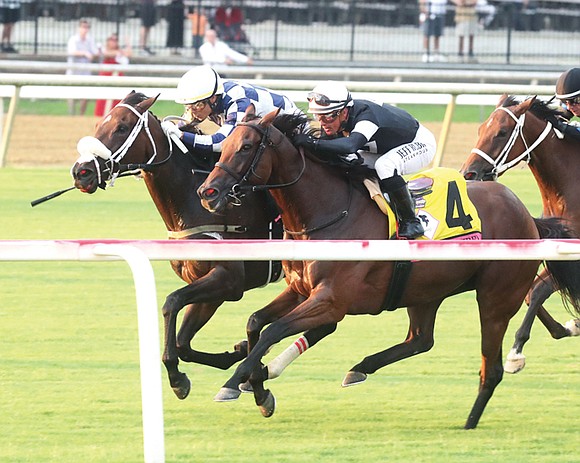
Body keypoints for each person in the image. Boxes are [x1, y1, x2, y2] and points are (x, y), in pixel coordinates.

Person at [293, 81, 437, 240]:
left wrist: (310, 142)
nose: (322, 122)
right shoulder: (333, 119)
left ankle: (411, 222)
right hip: (385, 147)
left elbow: (351, 145)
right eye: (317, 116)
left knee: (385, 166)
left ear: (344, 112)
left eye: (327, 116)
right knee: (348, 162)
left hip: (418, 143)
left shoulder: (366, 116)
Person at [160, 65, 301, 156]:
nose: (193, 111)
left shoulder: (238, 101)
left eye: (197, 106)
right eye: (188, 106)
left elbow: (222, 143)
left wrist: (181, 135)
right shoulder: (207, 99)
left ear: (213, 98)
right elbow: (185, 123)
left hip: (293, 128)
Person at [66, 19, 100, 115]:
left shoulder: (90, 40)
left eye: (87, 27)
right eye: (83, 27)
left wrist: (96, 53)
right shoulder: (73, 39)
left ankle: (81, 114)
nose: (85, 30)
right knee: (71, 94)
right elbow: (72, 52)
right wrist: (85, 53)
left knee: (85, 94)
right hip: (74, 72)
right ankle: (71, 114)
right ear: (79, 28)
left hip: (85, 72)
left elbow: (95, 52)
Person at [94, 33, 131, 117]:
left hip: (117, 77)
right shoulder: (104, 50)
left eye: (116, 40)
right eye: (112, 40)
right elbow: (107, 54)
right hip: (107, 76)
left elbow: (129, 54)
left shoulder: (119, 52)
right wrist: (119, 52)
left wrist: (127, 43)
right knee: (103, 100)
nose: (114, 42)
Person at [554, 68, 580, 142]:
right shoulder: (568, 106)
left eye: (575, 101)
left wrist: (564, 127)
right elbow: (559, 118)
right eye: (565, 101)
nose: (569, 107)